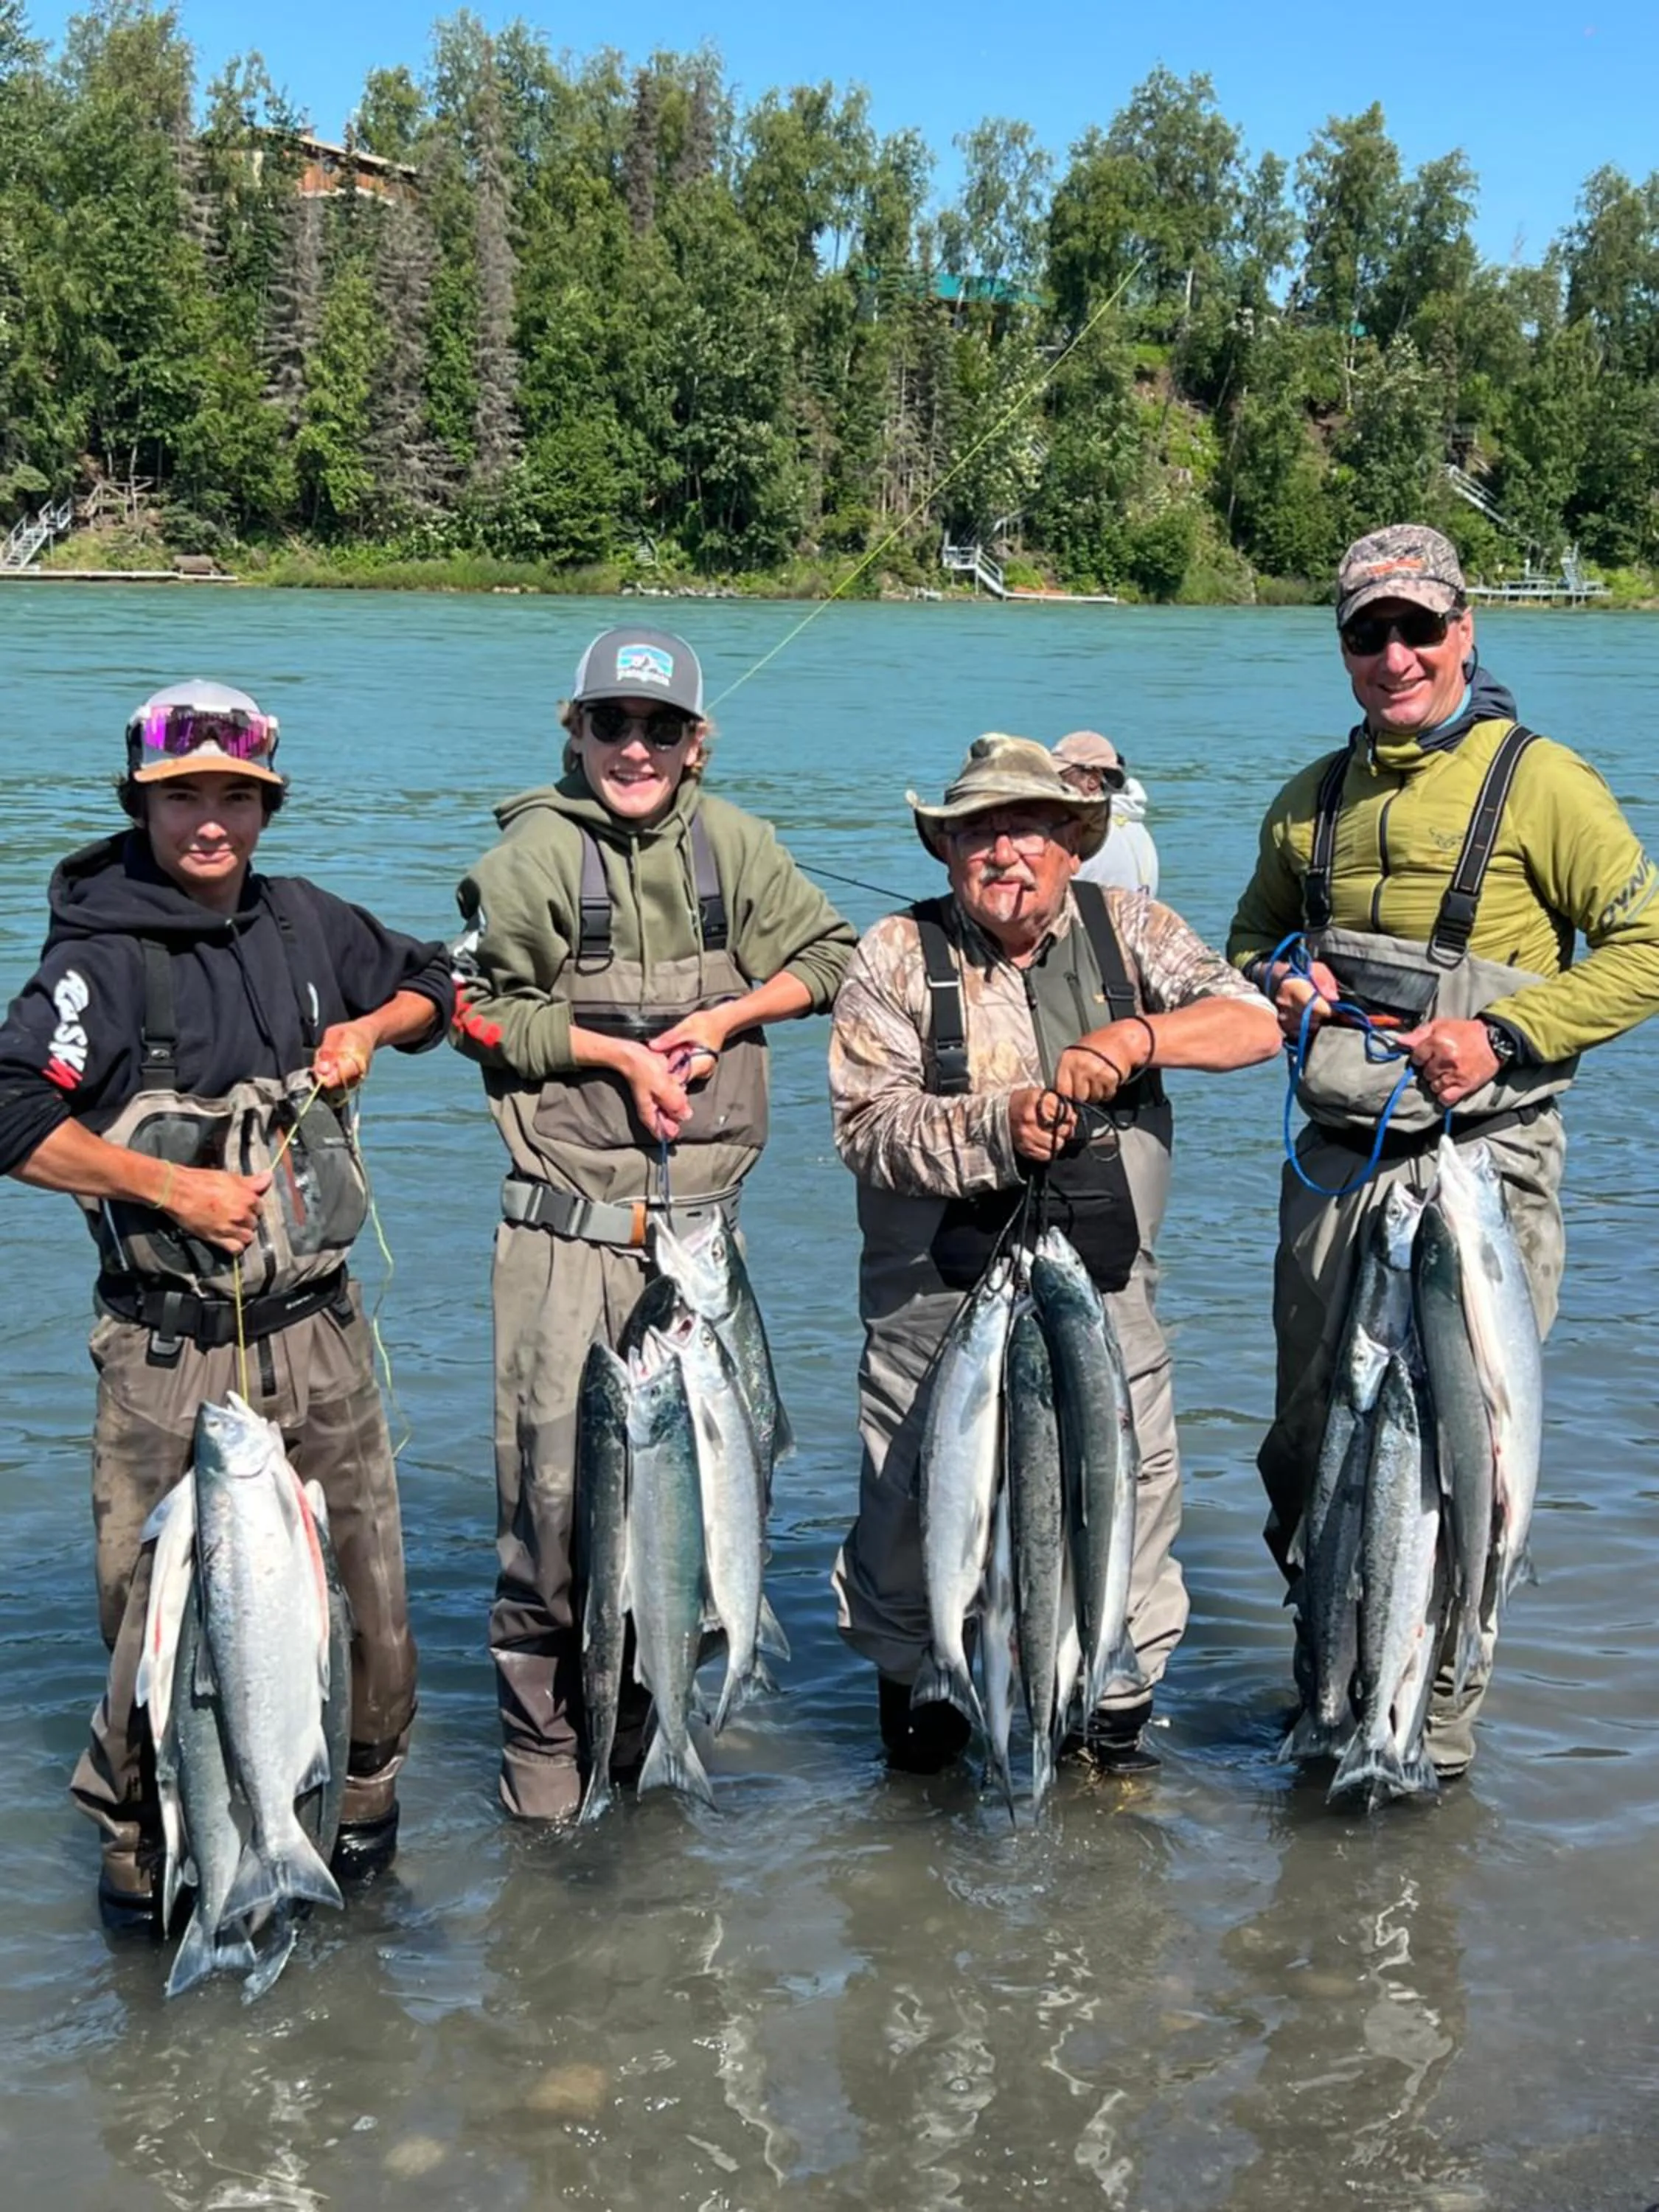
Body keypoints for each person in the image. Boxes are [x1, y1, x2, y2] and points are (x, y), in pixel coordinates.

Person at [0, 680, 453, 1927]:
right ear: (138, 803)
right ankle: (150, 1885)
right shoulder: (95, 956)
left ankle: (354, 1840)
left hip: (321, 1334)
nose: (211, 824)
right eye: (183, 798)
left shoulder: (308, 922)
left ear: (267, 807)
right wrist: (168, 1190)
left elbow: (438, 985)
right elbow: (12, 1116)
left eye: (236, 801)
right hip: (167, 1361)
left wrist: (371, 1025)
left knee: (368, 1606)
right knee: (161, 1633)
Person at [1228, 522, 1659, 1776]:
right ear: (1346, 648)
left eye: (1421, 628)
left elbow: (1645, 949)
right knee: (1311, 1443)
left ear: (1467, 632)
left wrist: (1508, 1035)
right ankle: (1330, 1699)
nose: (1398, 654)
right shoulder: (1307, 802)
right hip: (1333, 1167)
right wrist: (1285, 979)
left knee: (1467, 1450)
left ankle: (1438, 1732)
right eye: (1371, 632)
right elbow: (1251, 942)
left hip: (1486, 1165)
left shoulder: (1545, 785)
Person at [451, 625, 855, 1823]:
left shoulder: (738, 846)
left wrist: (730, 1019)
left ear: (697, 742)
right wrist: (612, 1054)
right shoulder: (531, 858)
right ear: (572, 731)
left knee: (716, 1497)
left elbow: (832, 956)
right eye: (612, 725)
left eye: (662, 728)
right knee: (557, 1521)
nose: (637, 748)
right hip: (566, 1247)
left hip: (701, 1242)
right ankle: (545, 1780)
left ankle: (651, 1747)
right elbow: (468, 1011)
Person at [830, 734, 1279, 1774]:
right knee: (912, 1541)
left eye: (1028, 828)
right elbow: (866, 1127)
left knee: (1124, 1523)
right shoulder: (893, 954)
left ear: (1074, 845)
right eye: (978, 831)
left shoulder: (1131, 932)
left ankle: (1103, 1743)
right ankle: (927, 1745)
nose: (1004, 852)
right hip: (933, 1311)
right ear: (946, 852)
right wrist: (999, 1125)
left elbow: (1253, 1023)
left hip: (1104, 1299)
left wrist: (1135, 1042)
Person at [1053, 731, 1160, 894]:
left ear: (1093, 781)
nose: (1050, 787)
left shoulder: (1088, 834)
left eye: (1059, 778)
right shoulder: (1138, 829)